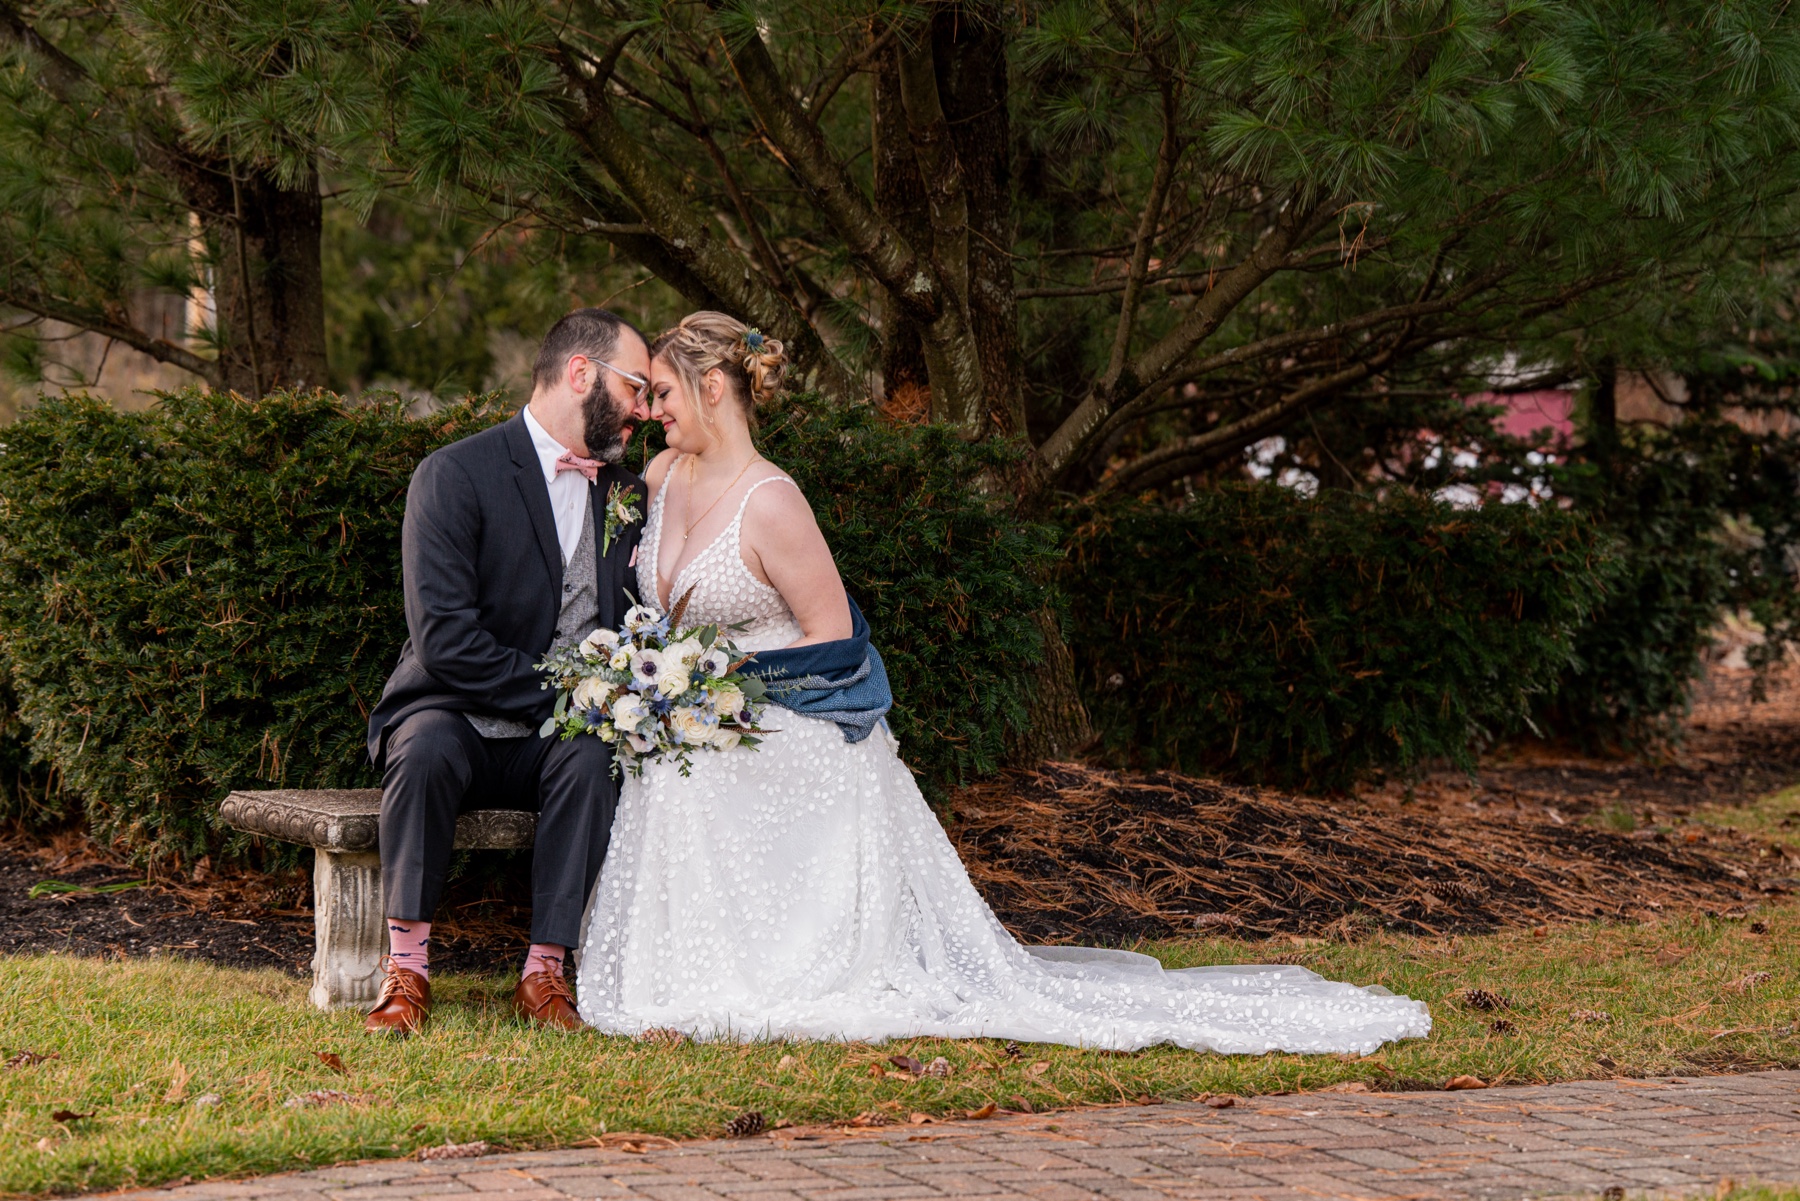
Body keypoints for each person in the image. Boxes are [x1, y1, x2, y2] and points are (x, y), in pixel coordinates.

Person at [571, 312, 1432, 1053]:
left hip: (781, 717)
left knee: (714, 767)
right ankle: (690, 969)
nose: (651, 410)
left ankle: (772, 968)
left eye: (664, 393)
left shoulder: (773, 502)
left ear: (715, 385)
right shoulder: (657, 478)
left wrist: (726, 680)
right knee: (685, 769)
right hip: (693, 715)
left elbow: (831, 634)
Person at [363, 308, 652, 1035]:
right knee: (423, 750)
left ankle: (545, 970)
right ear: (581, 372)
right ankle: (407, 969)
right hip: (452, 711)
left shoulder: (627, 493)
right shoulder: (455, 473)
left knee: (592, 758)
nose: (644, 409)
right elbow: (445, 639)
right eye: (636, 387)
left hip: (556, 739)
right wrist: (572, 691)